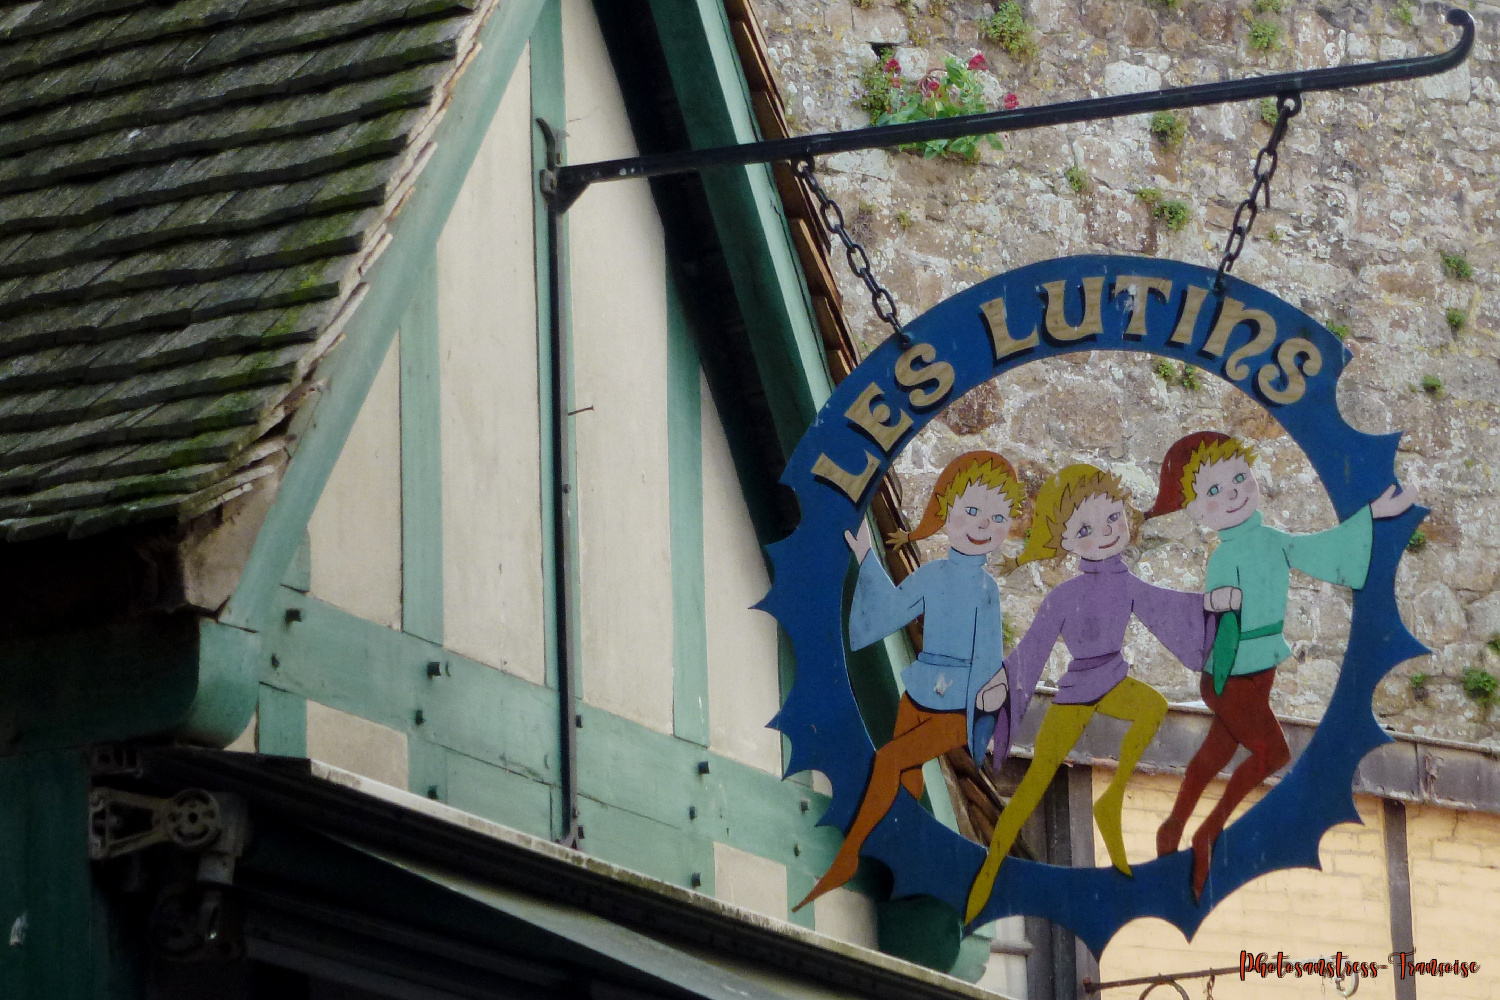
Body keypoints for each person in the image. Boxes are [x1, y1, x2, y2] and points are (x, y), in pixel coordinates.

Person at [1146, 431, 1415, 899]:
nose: (1232, 493)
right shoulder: (1224, 555)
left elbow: (1322, 550)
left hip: (1260, 666)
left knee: (1214, 755)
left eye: (1239, 478)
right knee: (1274, 754)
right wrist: (1219, 601)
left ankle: (1173, 826)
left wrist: (1372, 514)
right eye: (1214, 490)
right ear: (1197, 512)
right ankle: (1208, 831)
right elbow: (1210, 605)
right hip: (1229, 672)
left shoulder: (1272, 540)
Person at [964, 464, 1233, 924]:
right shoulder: (1063, 596)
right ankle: (988, 873)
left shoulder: (1125, 582)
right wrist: (1001, 684)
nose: (1106, 531)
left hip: (1114, 680)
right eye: (1086, 529)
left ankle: (1111, 802)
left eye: (1112, 517)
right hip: (1075, 692)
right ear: (1067, 542)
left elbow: (1168, 607)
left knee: (1153, 705)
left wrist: (1213, 605)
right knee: (1033, 786)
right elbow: (1032, 649)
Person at [796, 451, 1026, 911]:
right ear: (946, 509)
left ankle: (849, 856)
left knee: (888, 759)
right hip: (919, 692)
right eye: (972, 510)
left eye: (997, 518)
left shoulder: (986, 590)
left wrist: (992, 694)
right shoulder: (932, 574)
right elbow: (890, 612)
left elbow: (987, 658)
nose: (982, 525)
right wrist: (865, 554)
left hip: (957, 707)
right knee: (908, 776)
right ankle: (903, 857)